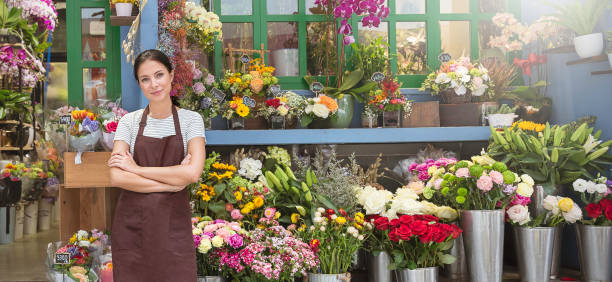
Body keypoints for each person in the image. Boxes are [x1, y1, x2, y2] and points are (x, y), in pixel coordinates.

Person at [107, 49, 206, 281]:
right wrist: (172, 184)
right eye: (145, 79)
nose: (154, 84)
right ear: (139, 84)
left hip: (173, 230)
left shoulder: (191, 120)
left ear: (171, 76)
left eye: (159, 75)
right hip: (133, 230)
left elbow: (192, 173)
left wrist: (137, 169)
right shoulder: (128, 122)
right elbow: (117, 178)